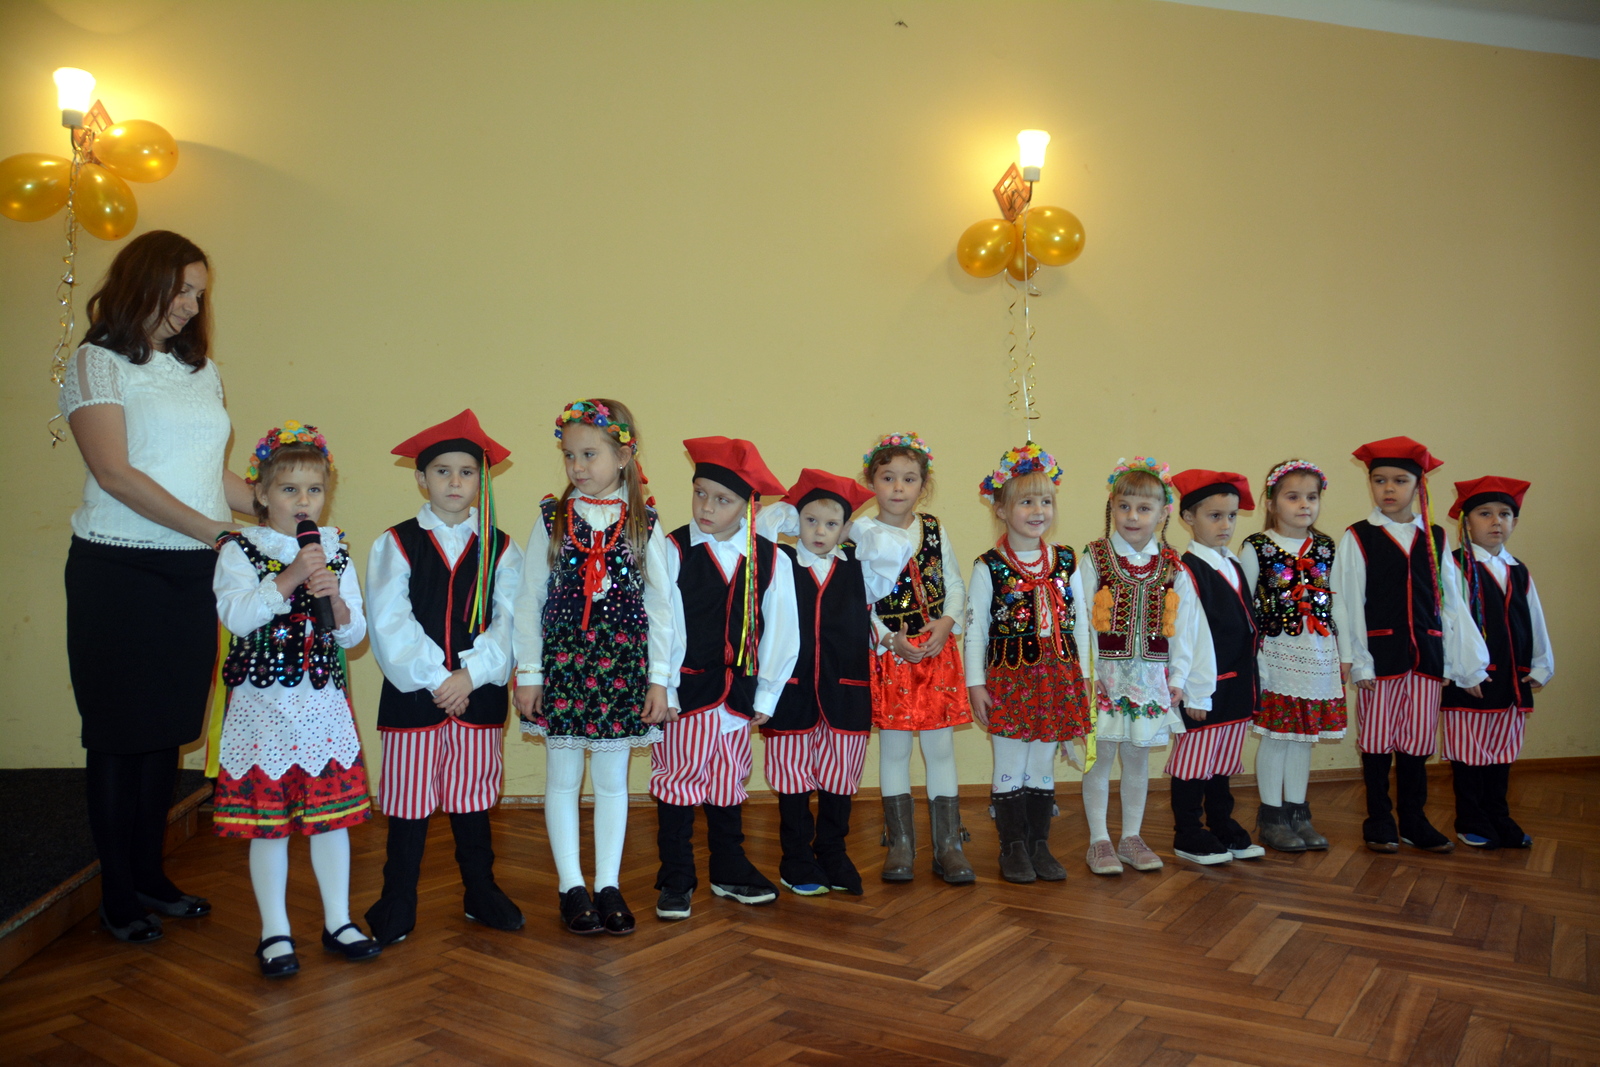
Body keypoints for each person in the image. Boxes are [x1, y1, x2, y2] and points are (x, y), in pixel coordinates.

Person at [58, 230, 255, 943]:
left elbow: (208, 470)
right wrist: (217, 532)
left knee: (165, 735)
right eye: (183, 290)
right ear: (144, 281)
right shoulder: (96, 364)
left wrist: (279, 508)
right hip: (120, 570)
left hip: (190, 573)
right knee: (120, 738)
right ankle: (117, 893)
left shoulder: (200, 370)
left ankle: (149, 875)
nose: (193, 306)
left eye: (200, 293)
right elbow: (116, 473)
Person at [212, 423, 379, 977]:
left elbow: (353, 637)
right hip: (261, 711)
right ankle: (275, 931)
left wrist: (339, 604)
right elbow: (237, 616)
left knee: (332, 821)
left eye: (313, 490)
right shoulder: (239, 551)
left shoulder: (334, 551)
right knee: (270, 825)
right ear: (261, 494)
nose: (303, 501)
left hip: (320, 708)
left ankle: (338, 920)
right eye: (289, 490)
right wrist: (288, 579)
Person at [364, 410, 525, 945]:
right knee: (408, 804)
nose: (455, 482)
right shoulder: (395, 543)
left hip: (476, 697)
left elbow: (509, 621)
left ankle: (481, 891)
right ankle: (397, 899)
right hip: (416, 698)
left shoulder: (504, 548)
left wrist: (470, 676)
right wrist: (439, 679)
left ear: (482, 480)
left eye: (467, 472)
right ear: (421, 478)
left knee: (472, 801)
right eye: (442, 471)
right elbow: (390, 622)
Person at [513, 399, 672, 935]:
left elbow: (661, 607)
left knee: (611, 782)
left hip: (621, 669)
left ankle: (607, 883)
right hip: (563, 667)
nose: (577, 466)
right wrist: (529, 673)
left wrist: (659, 680)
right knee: (562, 779)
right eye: (569, 456)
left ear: (623, 455)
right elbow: (529, 598)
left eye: (589, 454)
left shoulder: (645, 522)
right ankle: (570, 887)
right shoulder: (552, 519)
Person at [649, 437, 798, 922]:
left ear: (749, 506)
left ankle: (728, 866)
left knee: (728, 779)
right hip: (686, 693)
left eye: (722, 499)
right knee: (678, 779)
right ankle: (676, 875)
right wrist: (666, 687)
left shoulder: (771, 558)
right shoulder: (673, 549)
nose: (707, 507)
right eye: (700, 493)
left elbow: (782, 630)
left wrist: (768, 693)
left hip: (737, 696)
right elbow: (662, 624)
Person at [755, 469, 910, 896]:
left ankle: (832, 852)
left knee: (840, 775)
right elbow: (757, 534)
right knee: (792, 777)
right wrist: (788, 512)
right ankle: (796, 857)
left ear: (844, 529)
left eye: (830, 524)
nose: (819, 532)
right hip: (793, 691)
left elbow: (895, 549)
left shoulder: (860, 569)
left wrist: (853, 527)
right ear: (796, 521)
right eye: (810, 521)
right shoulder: (781, 563)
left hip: (845, 691)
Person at [1332, 436, 1489, 854]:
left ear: (1419, 486)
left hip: (1427, 659)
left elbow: (1451, 604)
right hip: (1379, 660)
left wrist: (1460, 664)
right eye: (1379, 480)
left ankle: (1414, 820)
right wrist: (1359, 661)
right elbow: (1348, 602)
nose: (1388, 488)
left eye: (1400, 481)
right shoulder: (1359, 536)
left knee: (1417, 743)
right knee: (1377, 741)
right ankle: (1379, 819)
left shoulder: (1435, 537)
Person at [964, 444, 1094, 884]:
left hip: (1057, 677)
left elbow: (1079, 624)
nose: (1038, 510)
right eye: (1026, 502)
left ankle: (1039, 844)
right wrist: (975, 684)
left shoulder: (1066, 560)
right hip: (1010, 679)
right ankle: (1012, 847)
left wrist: (1083, 675)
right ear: (1001, 510)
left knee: (1041, 762)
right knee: (1010, 760)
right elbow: (976, 631)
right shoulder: (989, 567)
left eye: (1046, 501)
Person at [1079, 457, 1213, 875]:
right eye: (1124, 507)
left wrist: (1180, 678)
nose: (1132, 517)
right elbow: (1081, 620)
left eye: (1143, 508)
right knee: (1100, 758)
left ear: (1163, 513)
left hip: (1150, 680)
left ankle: (1131, 837)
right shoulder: (1095, 558)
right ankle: (1099, 840)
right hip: (1105, 678)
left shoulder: (1174, 566)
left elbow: (1187, 629)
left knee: (1138, 759)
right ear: (1112, 507)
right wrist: (1086, 675)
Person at [853, 432, 975, 885]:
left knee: (940, 749)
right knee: (895, 750)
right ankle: (900, 842)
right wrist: (888, 639)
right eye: (888, 477)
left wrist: (946, 625)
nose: (898, 487)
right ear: (872, 482)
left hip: (935, 655)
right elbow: (859, 601)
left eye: (908, 478)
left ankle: (949, 845)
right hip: (892, 659)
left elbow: (954, 584)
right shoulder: (861, 533)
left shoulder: (934, 528)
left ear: (923, 485)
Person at [1238, 460, 1345, 852]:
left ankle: (1299, 813)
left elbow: (1337, 602)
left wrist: (1345, 655)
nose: (1304, 505)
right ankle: (1272, 817)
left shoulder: (1326, 547)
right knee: (1278, 736)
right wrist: (1252, 660)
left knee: (1304, 738)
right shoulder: (1257, 546)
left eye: (1311, 497)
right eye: (1293, 496)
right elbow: (1245, 607)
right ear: (1271, 502)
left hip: (1318, 654)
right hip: (1276, 654)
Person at [1442, 477, 1552, 849]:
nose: (1496, 522)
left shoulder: (1517, 569)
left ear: (1514, 522)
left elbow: (1534, 618)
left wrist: (1541, 664)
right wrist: (1465, 670)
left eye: (1504, 514)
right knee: (1470, 753)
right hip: (1472, 678)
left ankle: (1498, 815)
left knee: (1502, 751)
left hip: (1511, 676)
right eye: (1485, 513)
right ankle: (1470, 818)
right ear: (1466, 522)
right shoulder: (1455, 566)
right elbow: (1452, 622)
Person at [1167, 470, 1264, 865]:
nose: (1225, 525)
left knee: (1222, 762)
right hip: (1205, 690)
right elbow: (1185, 638)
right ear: (1188, 518)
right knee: (1195, 762)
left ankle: (1222, 822)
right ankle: (1188, 831)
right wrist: (1195, 691)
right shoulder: (1187, 571)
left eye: (1231, 516)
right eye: (1215, 516)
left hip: (1237, 685)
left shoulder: (1232, 563)